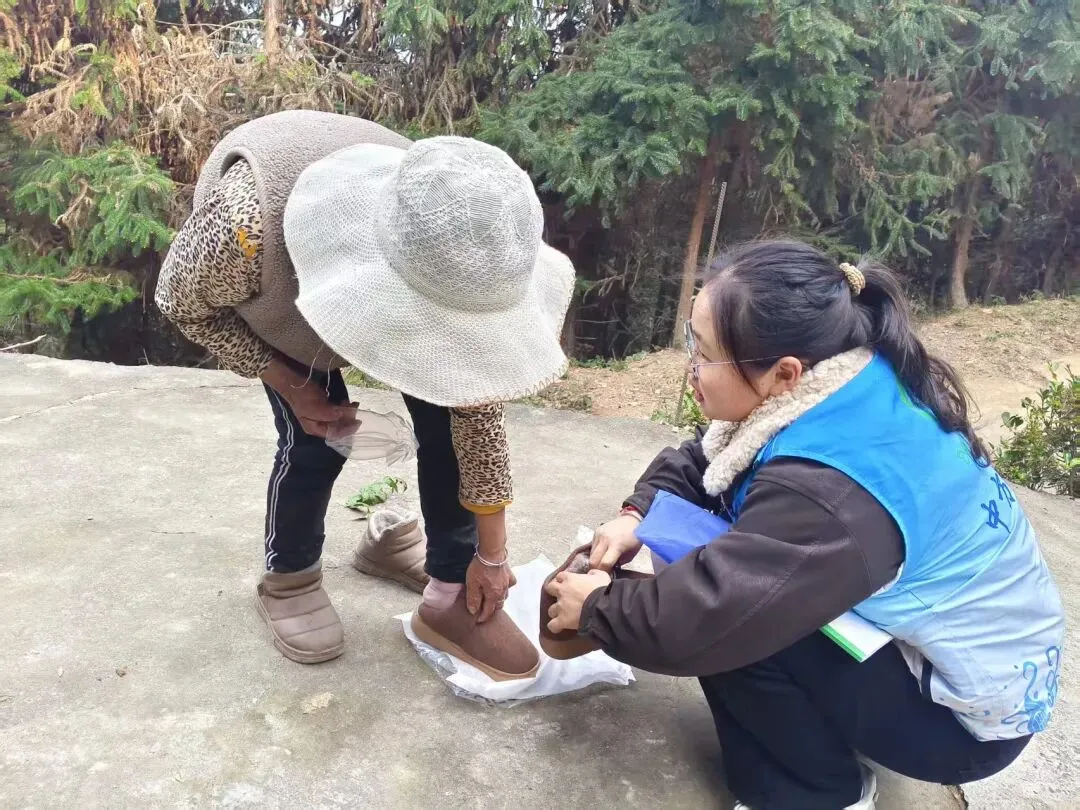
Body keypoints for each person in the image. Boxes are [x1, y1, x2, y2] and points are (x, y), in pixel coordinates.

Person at [544, 240, 1064, 809]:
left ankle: (814, 793)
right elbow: (714, 458)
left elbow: (716, 613)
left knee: (740, 630)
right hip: (954, 668)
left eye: (704, 353)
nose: (690, 368)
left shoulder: (829, 493)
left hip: (957, 725)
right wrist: (636, 516)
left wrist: (597, 609)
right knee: (718, 558)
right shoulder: (841, 380)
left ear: (783, 373)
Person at [156, 110, 574, 680]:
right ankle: (290, 576)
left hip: (385, 261)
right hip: (279, 288)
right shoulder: (243, 229)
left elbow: (476, 417)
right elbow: (181, 302)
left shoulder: (461, 229)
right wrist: (290, 386)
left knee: (451, 421)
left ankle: (448, 593)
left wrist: (490, 556)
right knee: (315, 441)